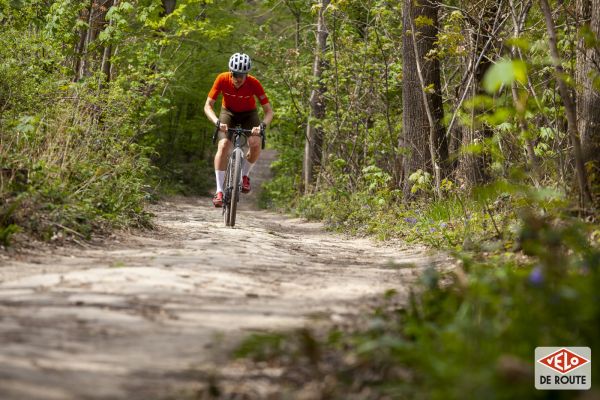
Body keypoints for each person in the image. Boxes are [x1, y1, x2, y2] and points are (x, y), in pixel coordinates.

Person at [204, 53, 274, 207]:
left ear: (247, 74)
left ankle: (244, 175)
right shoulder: (222, 79)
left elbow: (269, 111)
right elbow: (208, 105)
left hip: (249, 115)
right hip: (227, 112)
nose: (238, 78)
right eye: (235, 74)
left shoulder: (254, 83)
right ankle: (219, 190)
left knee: (255, 143)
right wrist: (217, 121)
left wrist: (261, 125)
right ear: (230, 73)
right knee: (223, 146)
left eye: (242, 75)